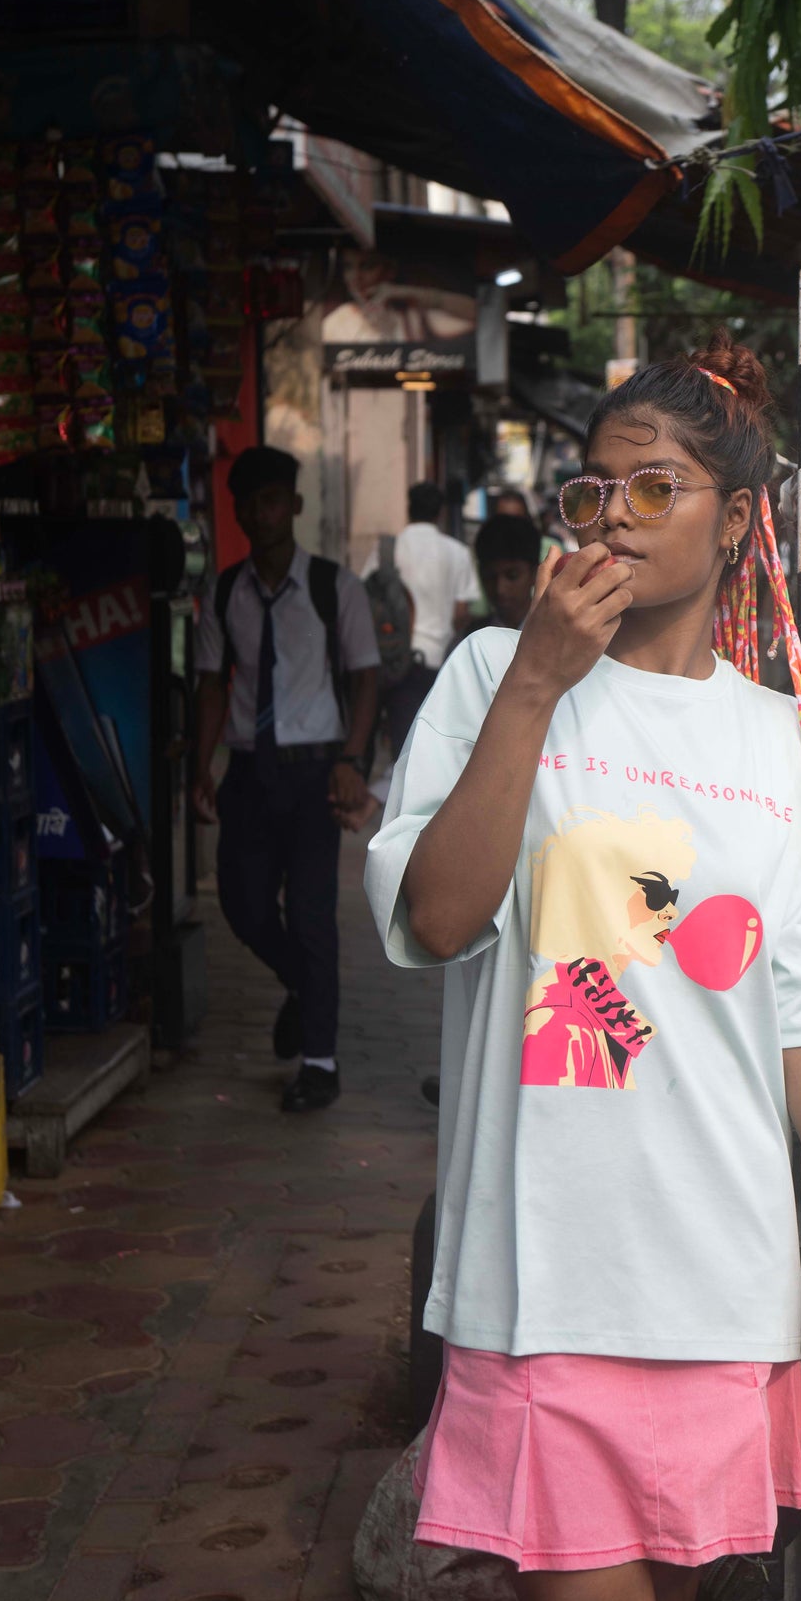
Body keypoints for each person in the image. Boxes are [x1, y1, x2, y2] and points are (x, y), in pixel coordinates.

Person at [366, 333, 801, 1601]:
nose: (611, 518)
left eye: (653, 489)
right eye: (592, 491)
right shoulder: (490, 676)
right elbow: (435, 914)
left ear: (736, 521)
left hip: (714, 1274)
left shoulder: (784, 743)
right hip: (549, 1279)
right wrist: (539, 684)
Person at [193, 446, 379, 1113]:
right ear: (237, 511)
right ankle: (305, 988)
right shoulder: (224, 591)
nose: (260, 513)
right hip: (249, 770)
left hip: (313, 775)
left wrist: (351, 760)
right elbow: (214, 685)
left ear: (294, 506)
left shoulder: (335, 587)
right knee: (241, 905)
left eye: (272, 499)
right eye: (248, 503)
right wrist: (200, 767)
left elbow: (366, 678)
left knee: (310, 915)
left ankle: (320, 1063)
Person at [362, 483, 480, 753]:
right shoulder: (457, 552)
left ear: (409, 508)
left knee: (396, 748)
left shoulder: (387, 549)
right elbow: (462, 612)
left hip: (390, 659)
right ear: (439, 513)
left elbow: (365, 597)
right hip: (437, 662)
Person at [471, 515, 541, 631]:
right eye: (490, 577)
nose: (500, 589)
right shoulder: (469, 637)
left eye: (512, 576)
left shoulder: (557, 633)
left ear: (535, 573)